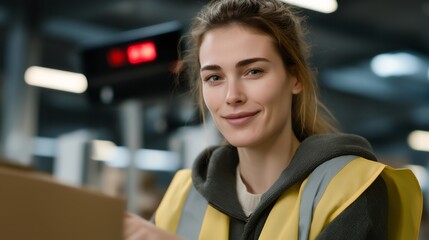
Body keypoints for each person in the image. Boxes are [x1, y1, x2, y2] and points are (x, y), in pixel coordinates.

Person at [123, 0, 423, 239]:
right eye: (214, 77)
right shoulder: (183, 192)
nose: (232, 95)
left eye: (253, 71)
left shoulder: (352, 188)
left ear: (294, 78)